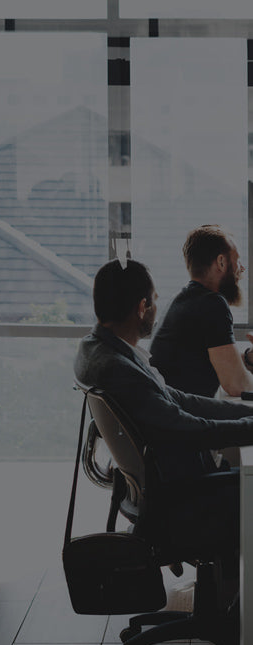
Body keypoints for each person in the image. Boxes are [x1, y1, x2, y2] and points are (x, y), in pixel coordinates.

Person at [75, 259, 253, 574]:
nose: (157, 308)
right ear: (142, 306)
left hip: (159, 489)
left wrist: (246, 413)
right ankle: (237, 611)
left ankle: (229, 603)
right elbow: (186, 428)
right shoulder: (117, 367)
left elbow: (176, 399)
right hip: (178, 497)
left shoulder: (99, 350)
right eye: (155, 300)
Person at [149, 225, 253, 397]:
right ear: (221, 262)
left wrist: (248, 357)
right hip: (182, 418)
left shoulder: (184, 299)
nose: (242, 268)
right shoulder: (212, 304)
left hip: (169, 411)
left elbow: (209, 358)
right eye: (238, 260)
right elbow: (236, 385)